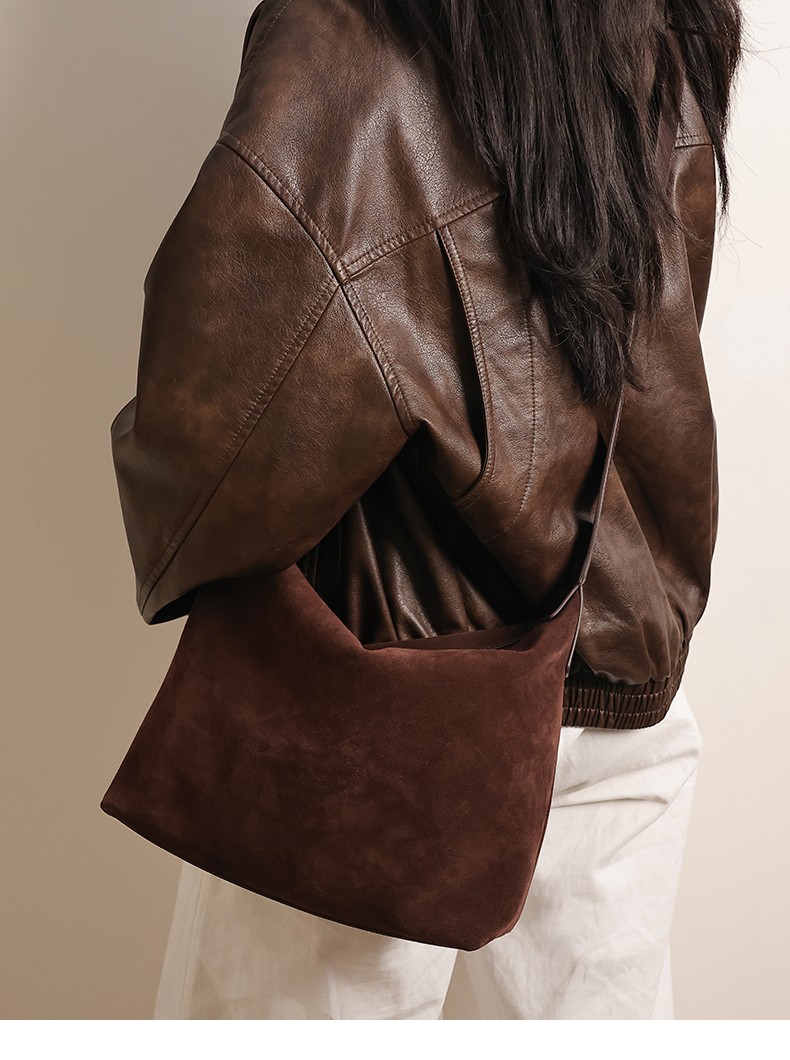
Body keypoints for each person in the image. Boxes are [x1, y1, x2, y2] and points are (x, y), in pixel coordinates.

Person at [109, 0, 743, 1019]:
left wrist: (168, 543)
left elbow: (212, 434)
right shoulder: (659, 21)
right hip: (618, 687)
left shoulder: (351, 38)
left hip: (372, 711)